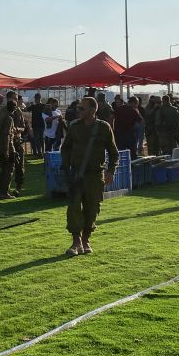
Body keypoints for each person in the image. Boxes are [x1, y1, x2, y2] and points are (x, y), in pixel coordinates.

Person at [59, 96, 118, 256]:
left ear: (93, 110)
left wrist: (110, 171)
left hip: (95, 175)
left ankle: (86, 239)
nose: (78, 111)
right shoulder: (74, 127)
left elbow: (114, 153)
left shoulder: (103, 127)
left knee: (92, 207)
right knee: (73, 206)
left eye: (82, 108)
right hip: (76, 173)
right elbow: (66, 148)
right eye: (78, 108)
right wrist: (65, 166)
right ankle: (76, 241)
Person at [0, 98, 18, 199]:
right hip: (6, 147)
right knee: (9, 169)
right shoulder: (9, 118)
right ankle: (3, 192)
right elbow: (7, 135)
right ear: (14, 108)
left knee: (4, 169)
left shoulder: (0, 115)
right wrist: (7, 151)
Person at [6, 91, 27, 190]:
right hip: (6, 142)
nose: (16, 100)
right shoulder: (3, 111)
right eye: (14, 98)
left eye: (17, 98)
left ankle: (19, 186)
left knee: (20, 165)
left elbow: (23, 127)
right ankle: (5, 188)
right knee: (8, 167)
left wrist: (17, 129)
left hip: (17, 140)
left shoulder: (18, 111)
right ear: (8, 99)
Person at [30, 93, 46, 158]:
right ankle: (41, 153)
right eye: (36, 98)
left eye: (36, 98)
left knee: (39, 139)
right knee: (39, 139)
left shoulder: (42, 106)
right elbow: (25, 109)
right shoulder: (34, 106)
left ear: (39, 98)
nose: (36, 99)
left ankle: (41, 153)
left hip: (40, 125)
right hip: (37, 125)